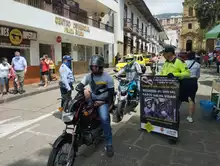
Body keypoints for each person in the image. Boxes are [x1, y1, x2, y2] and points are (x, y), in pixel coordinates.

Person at [75, 55, 114, 157]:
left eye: (96, 67)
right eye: (92, 66)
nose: (94, 68)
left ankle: (109, 144)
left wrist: (107, 103)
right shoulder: (89, 76)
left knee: (105, 119)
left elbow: (111, 93)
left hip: (103, 101)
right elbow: (81, 83)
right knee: (80, 113)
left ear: (101, 67)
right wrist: (80, 87)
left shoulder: (107, 77)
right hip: (92, 100)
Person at [160, 45, 190, 110]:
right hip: (166, 89)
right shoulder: (166, 62)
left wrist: (174, 75)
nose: (163, 55)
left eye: (164, 53)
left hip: (175, 90)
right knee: (167, 108)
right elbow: (162, 73)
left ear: (170, 53)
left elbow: (187, 74)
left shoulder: (179, 61)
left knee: (174, 109)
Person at [184, 52, 200, 123]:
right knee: (191, 99)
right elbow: (198, 76)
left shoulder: (184, 63)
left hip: (184, 81)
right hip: (193, 81)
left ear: (187, 57)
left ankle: (174, 113)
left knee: (179, 98)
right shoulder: (197, 64)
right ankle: (190, 117)